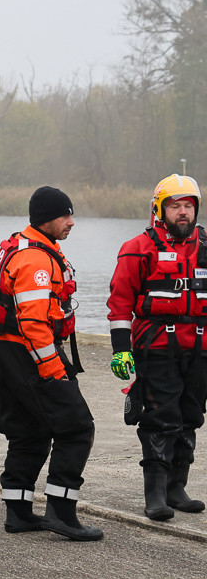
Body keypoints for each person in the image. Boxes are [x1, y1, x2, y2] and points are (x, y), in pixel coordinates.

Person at [0, 186, 102, 541]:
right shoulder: (36, 260)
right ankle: (62, 512)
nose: (71, 222)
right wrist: (54, 371)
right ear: (46, 219)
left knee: (28, 430)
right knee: (77, 426)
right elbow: (34, 324)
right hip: (29, 354)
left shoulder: (21, 245)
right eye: (65, 216)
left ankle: (19, 512)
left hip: (7, 351)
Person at [108, 174, 207, 521]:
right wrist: (121, 349)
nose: (183, 213)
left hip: (200, 349)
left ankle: (176, 488)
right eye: (176, 206)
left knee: (191, 417)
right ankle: (155, 494)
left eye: (188, 206)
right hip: (157, 347)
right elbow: (120, 303)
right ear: (159, 210)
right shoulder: (138, 248)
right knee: (160, 419)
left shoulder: (206, 246)